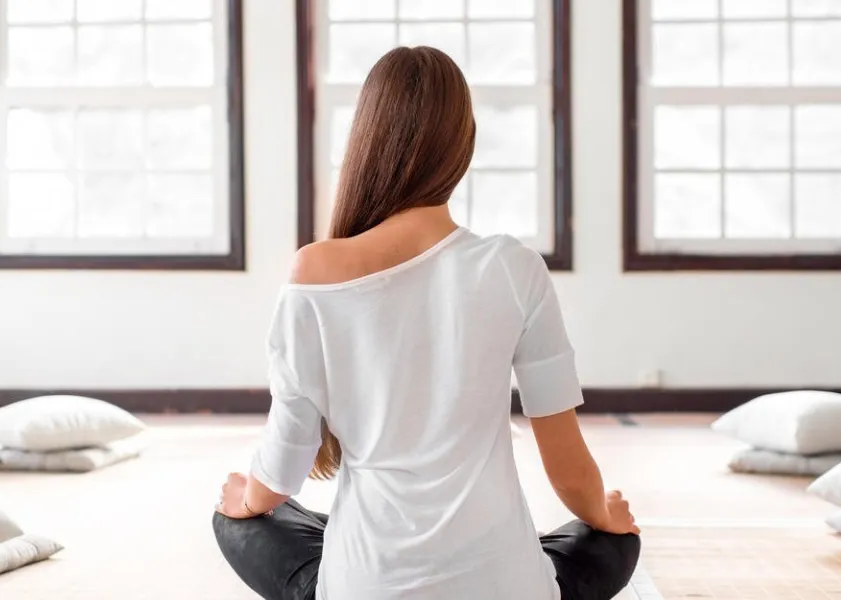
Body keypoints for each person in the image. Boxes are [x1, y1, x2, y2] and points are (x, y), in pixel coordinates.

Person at [213, 46, 640, 600]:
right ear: (463, 145)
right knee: (613, 540)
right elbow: (569, 470)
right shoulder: (514, 267)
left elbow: (284, 464)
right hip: (508, 587)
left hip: (364, 586)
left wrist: (245, 502)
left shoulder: (314, 270)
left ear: (366, 140)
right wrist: (603, 513)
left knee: (241, 518)